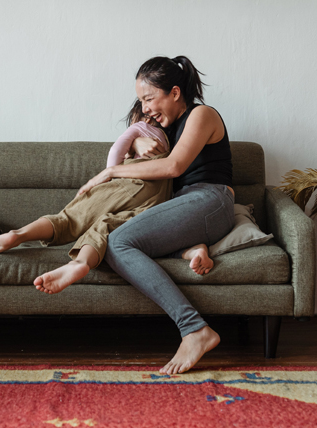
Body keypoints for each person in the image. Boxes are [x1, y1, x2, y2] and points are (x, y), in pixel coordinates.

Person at [76, 56, 235, 375]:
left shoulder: (202, 114)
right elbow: (145, 149)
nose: (145, 107)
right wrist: (138, 137)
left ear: (175, 92)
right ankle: (190, 248)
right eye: (141, 101)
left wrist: (110, 173)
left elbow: (174, 166)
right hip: (182, 205)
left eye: (149, 98)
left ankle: (195, 330)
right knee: (118, 235)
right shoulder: (168, 127)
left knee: (119, 243)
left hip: (210, 199)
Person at [0, 104, 215, 294]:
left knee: (69, 219)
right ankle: (81, 263)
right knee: (107, 226)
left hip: (129, 185)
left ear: (138, 118)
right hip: (156, 200)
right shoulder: (172, 140)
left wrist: (112, 173)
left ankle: (19, 235)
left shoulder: (138, 128)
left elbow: (116, 151)